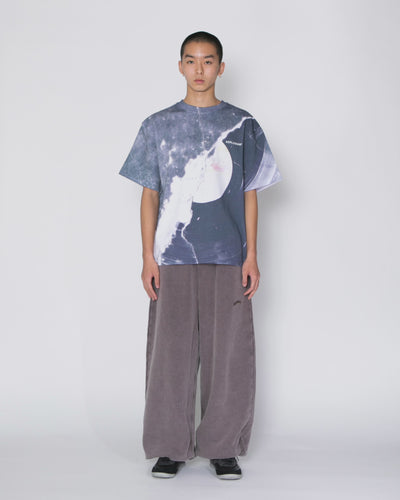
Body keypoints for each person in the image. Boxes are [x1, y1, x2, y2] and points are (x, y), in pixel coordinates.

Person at [119, 31, 282, 480]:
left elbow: (250, 192)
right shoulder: (158, 125)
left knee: (228, 354)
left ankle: (222, 447)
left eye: (208, 61)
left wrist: (251, 255)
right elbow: (149, 195)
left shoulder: (243, 124)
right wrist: (148, 256)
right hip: (171, 256)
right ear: (180, 66)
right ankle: (169, 447)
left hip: (228, 254)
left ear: (220, 68)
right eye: (190, 60)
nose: (199, 69)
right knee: (169, 354)